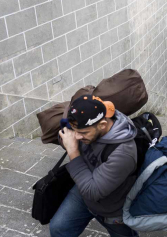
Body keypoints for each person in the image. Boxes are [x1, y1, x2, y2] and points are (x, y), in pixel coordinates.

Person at [52, 95, 139, 237]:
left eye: (83, 133)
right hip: (83, 192)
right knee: (59, 228)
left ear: (102, 125)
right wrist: (66, 138)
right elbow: (68, 136)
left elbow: (92, 191)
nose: (78, 137)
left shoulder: (124, 152)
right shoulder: (85, 124)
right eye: (75, 131)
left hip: (112, 208)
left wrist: (73, 151)